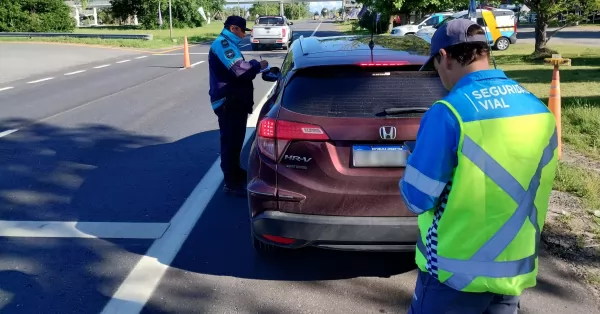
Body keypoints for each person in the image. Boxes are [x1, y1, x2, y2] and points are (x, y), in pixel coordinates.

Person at [400, 19, 559, 314]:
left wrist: (411, 162)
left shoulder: (448, 113)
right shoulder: (539, 111)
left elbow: (417, 199)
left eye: (435, 66)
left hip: (450, 279)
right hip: (512, 274)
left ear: (444, 57)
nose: (439, 76)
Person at [209, 16, 268, 197]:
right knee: (231, 142)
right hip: (229, 102)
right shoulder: (223, 45)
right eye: (242, 31)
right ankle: (231, 182)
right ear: (233, 28)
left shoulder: (228, 43)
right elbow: (241, 71)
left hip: (235, 101)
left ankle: (236, 171)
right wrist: (258, 65)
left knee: (236, 142)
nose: (243, 35)